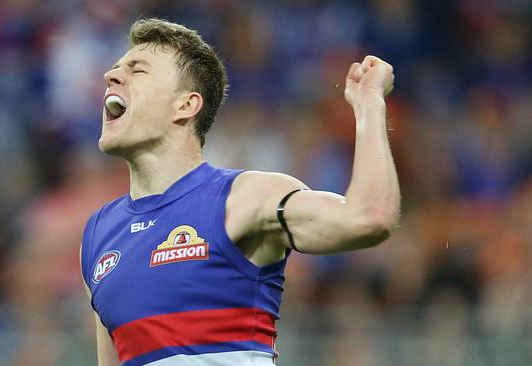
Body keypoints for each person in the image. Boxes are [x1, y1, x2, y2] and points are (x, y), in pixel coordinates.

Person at [80, 18, 400, 366]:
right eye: (115, 68)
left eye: (137, 70)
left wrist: (368, 104)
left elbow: (370, 217)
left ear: (185, 105)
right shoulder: (99, 235)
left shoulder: (245, 196)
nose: (111, 76)